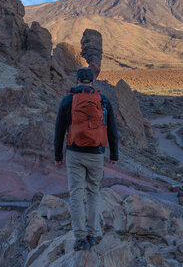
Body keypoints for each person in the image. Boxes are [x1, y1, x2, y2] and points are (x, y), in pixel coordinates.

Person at [54, 67, 119, 251]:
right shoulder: (103, 101)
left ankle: (80, 238)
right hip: (97, 154)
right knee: (93, 193)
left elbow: (59, 130)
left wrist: (58, 156)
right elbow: (112, 130)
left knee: (75, 194)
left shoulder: (68, 100)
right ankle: (93, 234)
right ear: (92, 82)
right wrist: (114, 154)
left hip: (74, 153)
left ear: (76, 81)